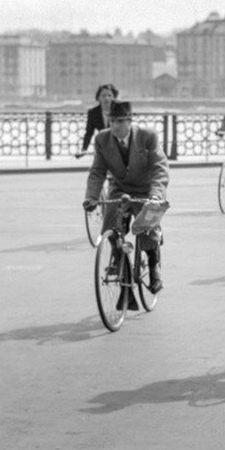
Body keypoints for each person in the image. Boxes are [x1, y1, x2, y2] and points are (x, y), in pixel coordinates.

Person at [83, 100, 170, 293]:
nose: (115, 125)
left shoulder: (147, 137)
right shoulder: (102, 140)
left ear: (130, 121)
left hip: (146, 189)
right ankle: (117, 255)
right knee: (111, 223)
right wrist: (91, 197)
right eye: (112, 121)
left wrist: (155, 196)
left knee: (148, 226)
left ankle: (154, 266)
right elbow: (97, 171)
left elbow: (159, 168)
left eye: (120, 121)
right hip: (120, 189)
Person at [78, 83, 119, 157]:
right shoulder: (93, 113)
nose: (107, 98)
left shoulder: (119, 111)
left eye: (109, 95)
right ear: (98, 98)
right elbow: (89, 133)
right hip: (102, 147)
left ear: (114, 97)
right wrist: (84, 150)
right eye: (103, 96)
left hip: (119, 148)